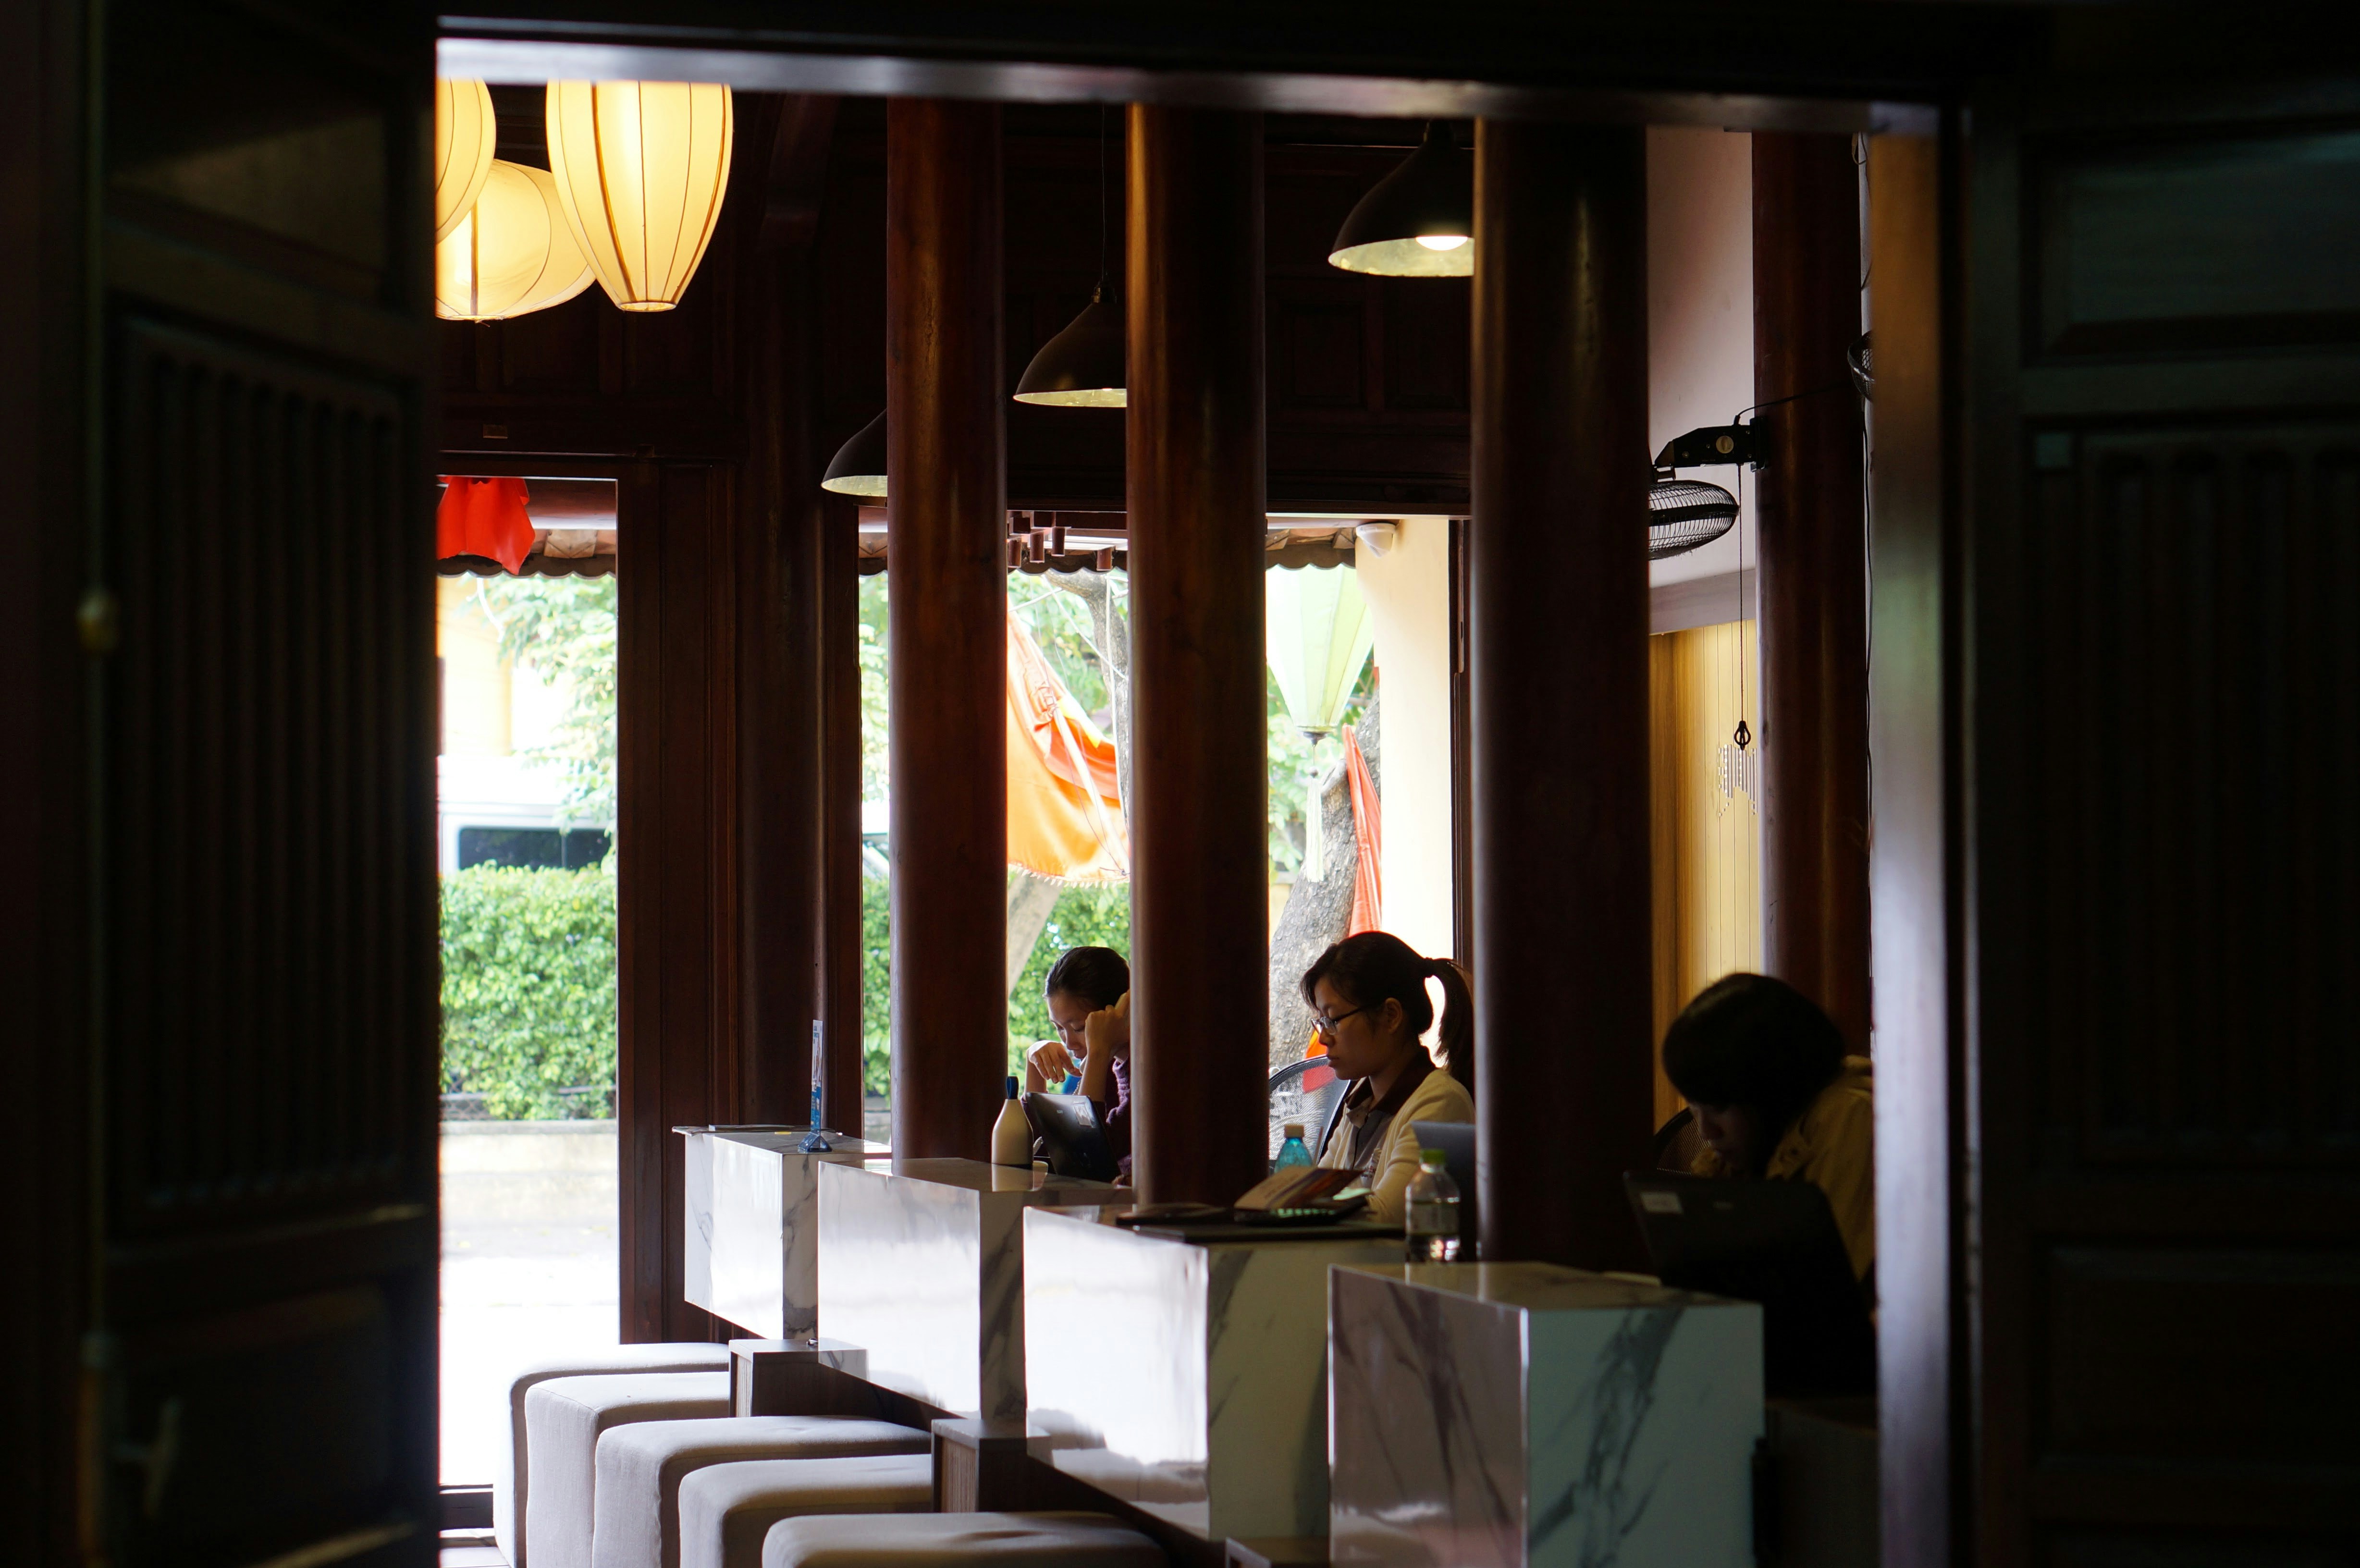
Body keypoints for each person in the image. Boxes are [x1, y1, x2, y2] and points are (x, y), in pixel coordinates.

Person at [1661, 972, 1874, 1281]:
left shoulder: (1851, 1117)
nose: (1707, 1132)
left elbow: (1828, 1290)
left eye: (1719, 1108)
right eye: (1696, 1107)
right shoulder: (1744, 1153)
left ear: (1772, 1090)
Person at [1302, 931, 1475, 1226]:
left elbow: (1387, 1217)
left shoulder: (1440, 1103)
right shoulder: (1361, 1100)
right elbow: (1316, 1192)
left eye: (1333, 1020)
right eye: (1321, 1021)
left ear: (1391, 1015)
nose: (1325, 1038)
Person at [1022, 946, 1133, 1179]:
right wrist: (1034, 1064)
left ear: (1123, 1010)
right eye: (1059, 1028)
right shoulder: (1107, 1066)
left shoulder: (1147, 1069)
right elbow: (1040, 1151)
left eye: (1078, 1028)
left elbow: (1085, 1157)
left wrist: (1098, 1053)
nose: (1069, 1043)